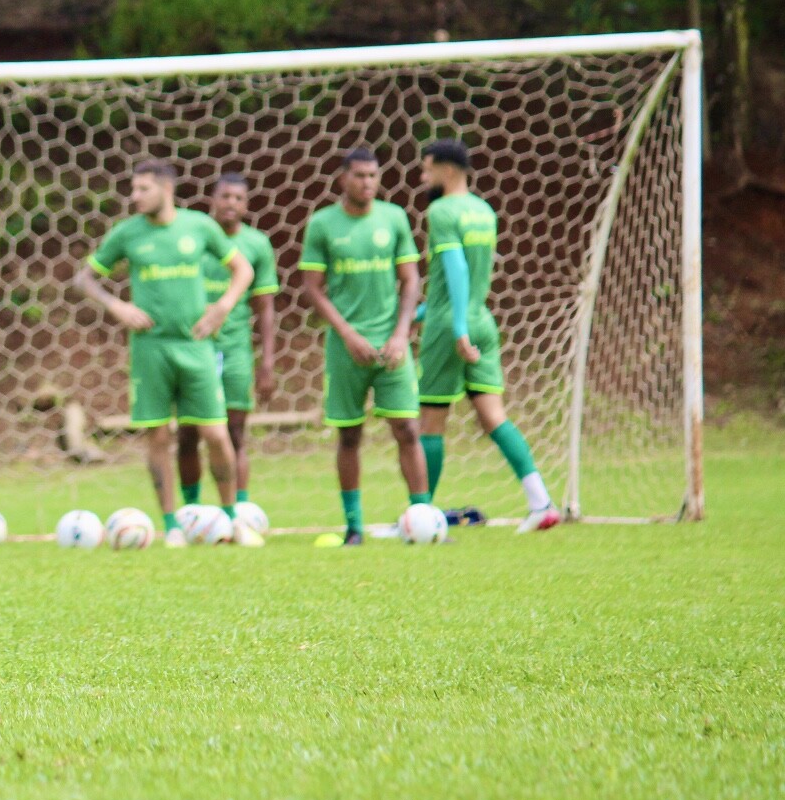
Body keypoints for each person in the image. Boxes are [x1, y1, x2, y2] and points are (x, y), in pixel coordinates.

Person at [75, 161, 256, 547]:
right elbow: (84, 278)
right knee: (158, 436)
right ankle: (172, 526)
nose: (135, 196)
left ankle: (231, 521)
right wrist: (117, 306)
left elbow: (243, 270)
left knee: (216, 433)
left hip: (196, 346)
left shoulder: (199, 227)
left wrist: (222, 307)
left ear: (166, 189)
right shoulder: (128, 233)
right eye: (134, 189)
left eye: (143, 189)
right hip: (150, 349)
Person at [415, 139, 562, 533]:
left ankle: (421, 515)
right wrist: (420, 312)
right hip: (482, 318)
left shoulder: (441, 210)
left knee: (430, 422)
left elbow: (457, 268)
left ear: (447, 170)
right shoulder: (484, 211)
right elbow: (468, 278)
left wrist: (456, 328)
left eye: (427, 169)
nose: (423, 176)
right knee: (494, 417)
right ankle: (541, 502)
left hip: (451, 326)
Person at [297, 147, 431, 545]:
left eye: (373, 175)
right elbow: (313, 288)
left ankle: (423, 520)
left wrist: (401, 334)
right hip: (346, 347)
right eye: (359, 176)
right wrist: (347, 334)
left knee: (408, 429)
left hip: (392, 346)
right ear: (343, 178)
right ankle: (354, 527)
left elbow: (411, 279)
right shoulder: (322, 224)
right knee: (350, 436)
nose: (367, 183)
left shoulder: (394, 218)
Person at [176, 173, 278, 512]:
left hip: (235, 351)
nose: (231, 203)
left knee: (235, 433)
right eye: (225, 196)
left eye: (238, 198)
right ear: (212, 199)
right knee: (189, 433)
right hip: (193, 349)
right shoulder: (194, 240)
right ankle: (191, 511)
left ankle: (238, 511)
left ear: (246, 205)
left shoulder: (256, 245)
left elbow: (265, 307)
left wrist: (267, 363)